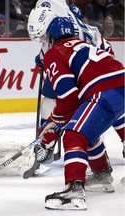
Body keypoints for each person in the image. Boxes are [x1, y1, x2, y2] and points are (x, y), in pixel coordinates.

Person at [38, 16, 124, 210]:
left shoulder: (55, 53)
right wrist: (56, 123)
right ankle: (102, 173)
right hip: (119, 85)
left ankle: (74, 190)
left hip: (104, 90)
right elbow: (74, 101)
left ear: (51, 37)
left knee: (73, 135)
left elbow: (68, 97)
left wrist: (52, 127)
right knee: (85, 130)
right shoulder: (83, 44)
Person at [27, 1, 114, 164]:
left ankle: (49, 143)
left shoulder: (65, 30)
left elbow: (54, 51)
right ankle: (50, 143)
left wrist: (41, 60)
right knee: (61, 104)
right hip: (88, 72)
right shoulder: (75, 27)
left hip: (82, 73)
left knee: (74, 110)